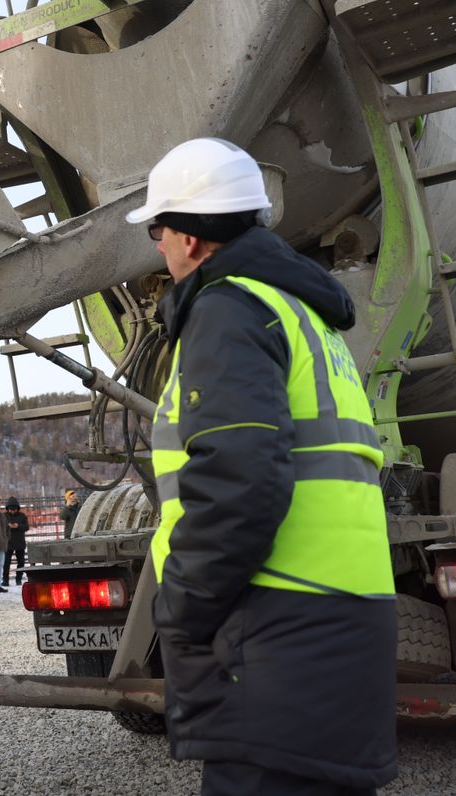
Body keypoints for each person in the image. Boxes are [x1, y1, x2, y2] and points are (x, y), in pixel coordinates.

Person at [126, 137, 395, 795]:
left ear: (189, 239)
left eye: (158, 230)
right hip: (340, 623)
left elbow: (240, 481)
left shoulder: (228, 309)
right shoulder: (304, 313)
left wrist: (183, 609)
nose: (156, 245)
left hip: (275, 630)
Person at [3, 496, 30, 586]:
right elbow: (1, 526)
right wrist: (8, 526)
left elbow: (26, 527)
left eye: (14, 509)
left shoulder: (22, 516)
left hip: (20, 542)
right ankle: (5, 580)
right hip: (8, 543)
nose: (12, 511)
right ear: (7, 509)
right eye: (10, 509)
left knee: (21, 563)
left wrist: (18, 526)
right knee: (6, 563)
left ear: (17, 509)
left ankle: (18, 579)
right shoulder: (4, 516)